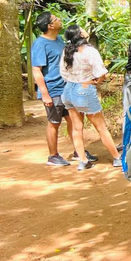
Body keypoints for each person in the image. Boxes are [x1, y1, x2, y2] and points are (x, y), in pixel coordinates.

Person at [60, 25, 122, 170]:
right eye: (82, 28)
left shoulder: (66, 50)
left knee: (76, 128)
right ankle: (116, 158)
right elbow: (101, 73)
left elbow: (63, 73)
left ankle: (82, 160)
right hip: (84, 90)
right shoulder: (89, 51)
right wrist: (95, 82)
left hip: (68, 90)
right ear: (80, 34)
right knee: (101, 127)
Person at [31, 11, 78, 166]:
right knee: (54, 122)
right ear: (50, 25)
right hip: (53, 89)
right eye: (56, 19)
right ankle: (53, 156)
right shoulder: (40, 44)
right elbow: (36, 70)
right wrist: (45, 94)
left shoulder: (59, 40)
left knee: (73, 119)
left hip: (67, 88)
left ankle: (79, 150)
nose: (60, 20)